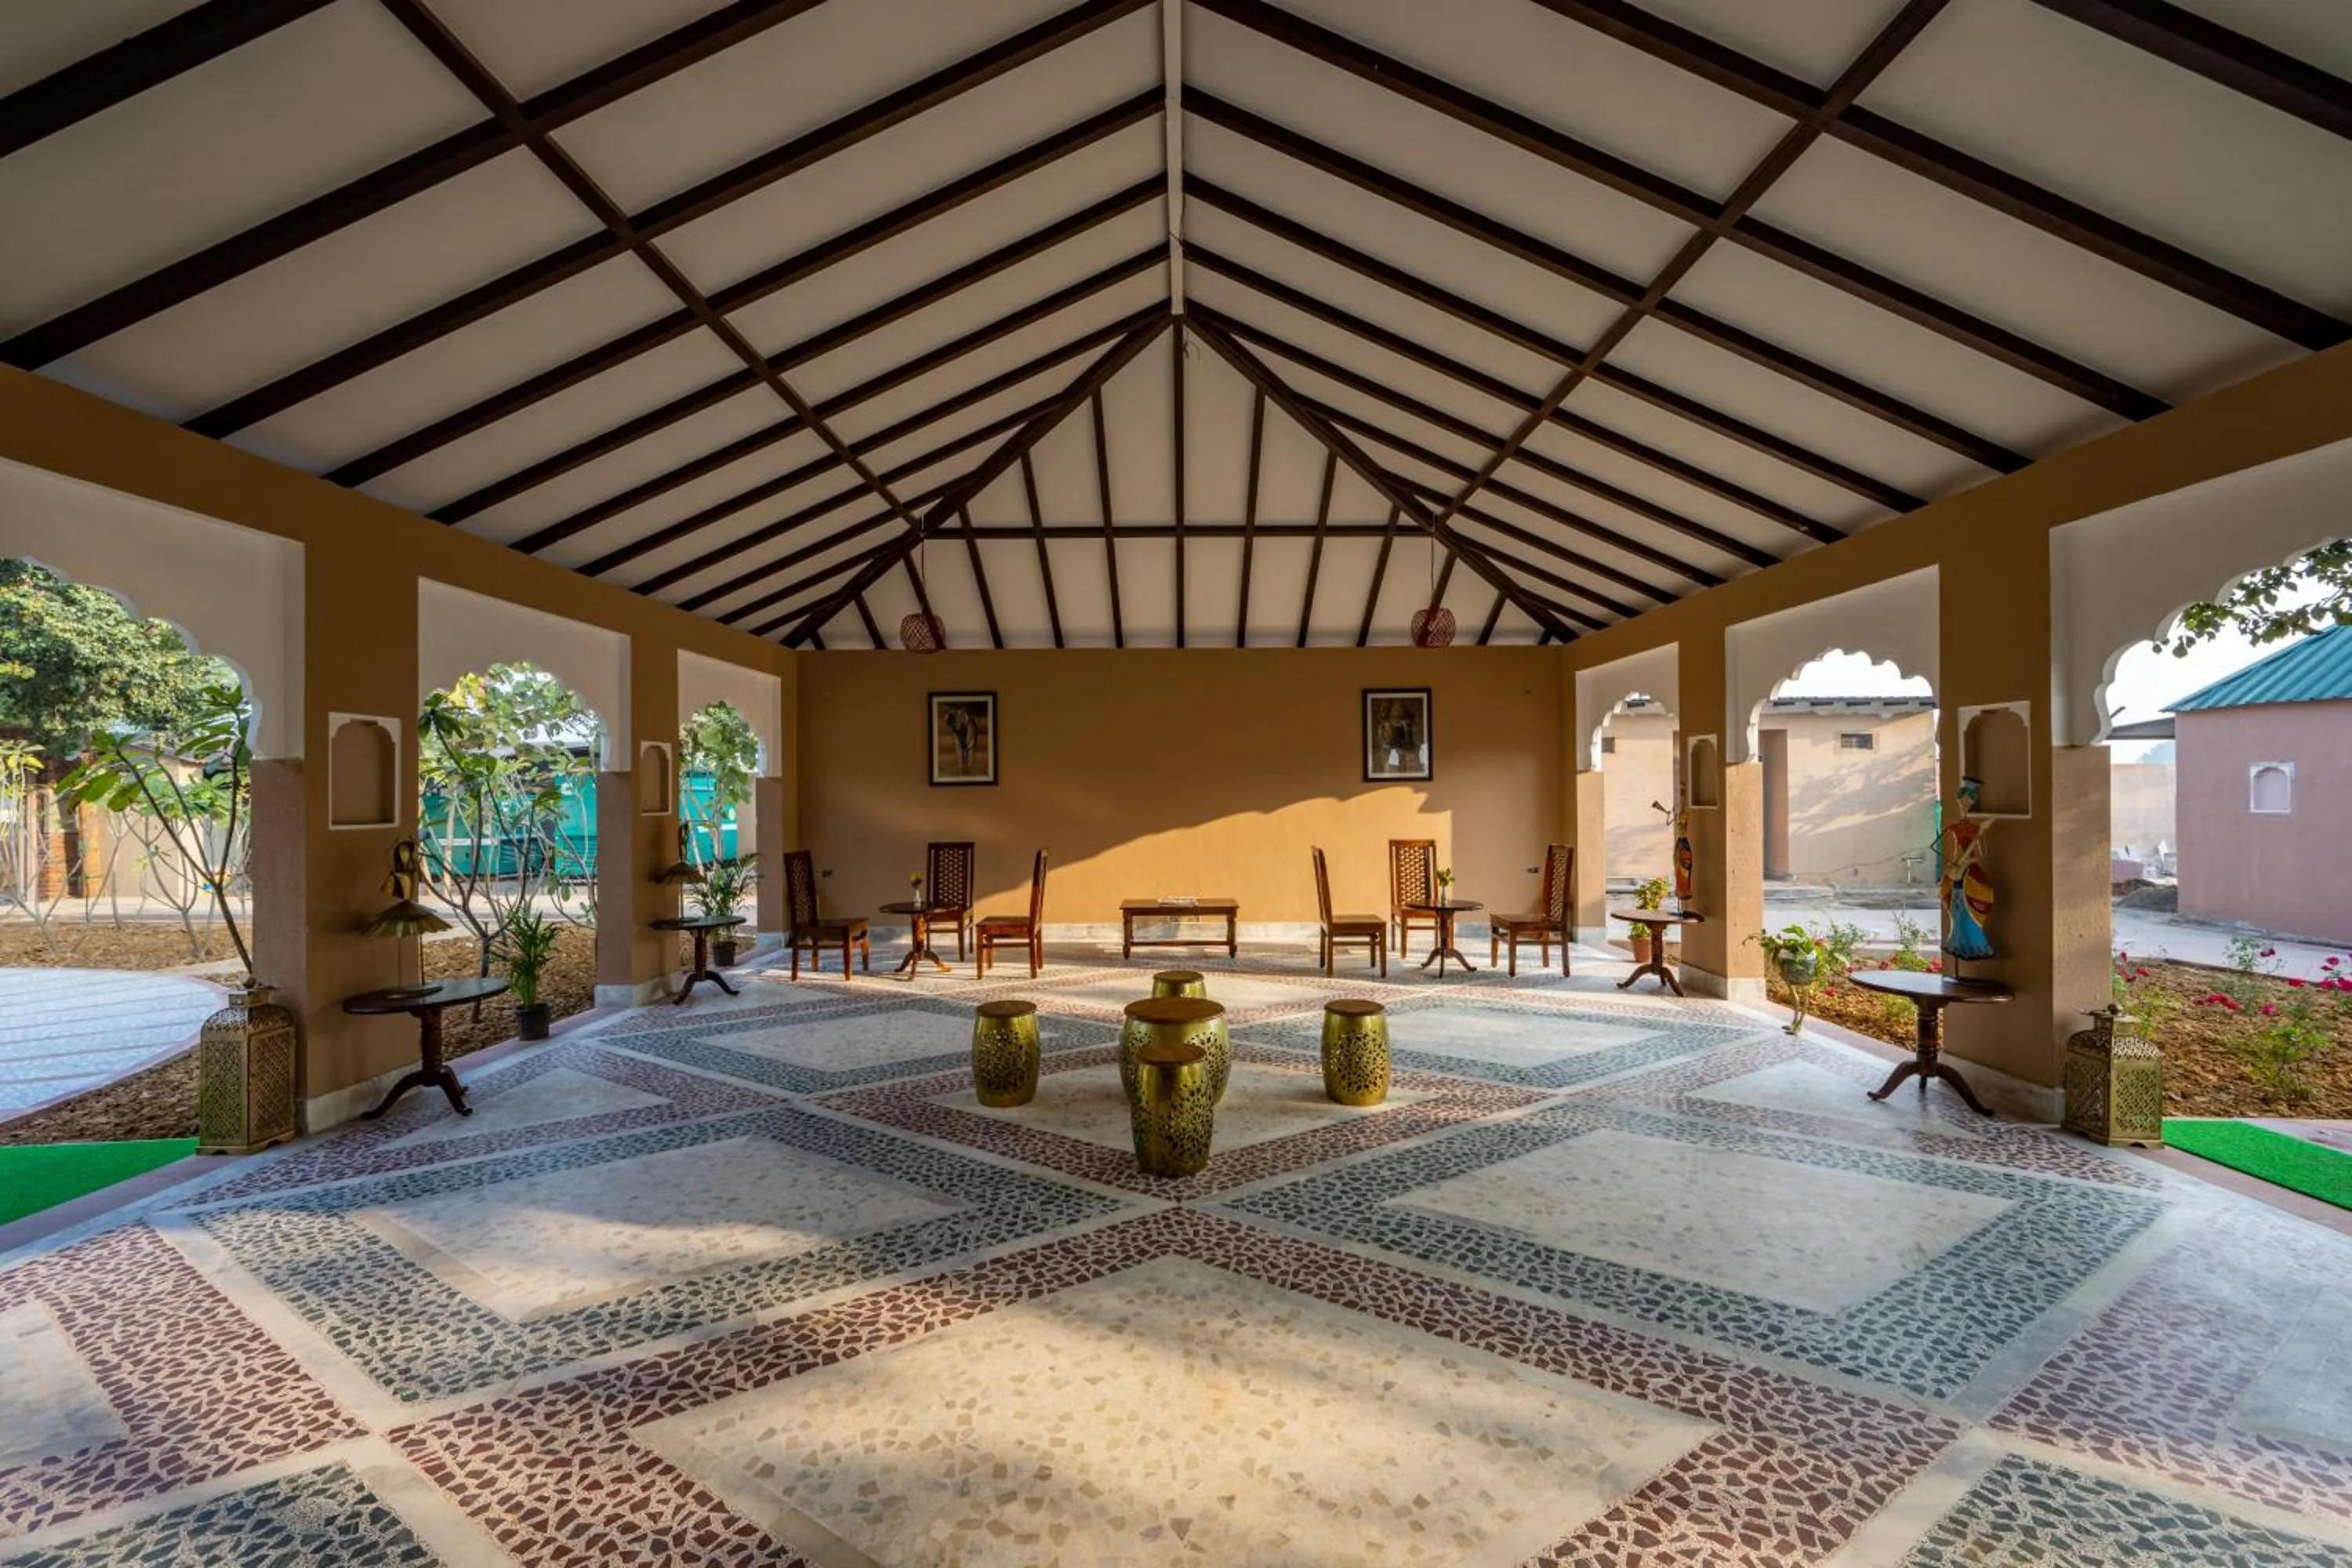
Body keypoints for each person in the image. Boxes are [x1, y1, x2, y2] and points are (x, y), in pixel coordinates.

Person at [1940, 776, 1995, 960]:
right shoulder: (1954, 828)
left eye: (1966, 802)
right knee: (1955, 909)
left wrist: (1970, 860)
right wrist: (1951, 862)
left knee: (1969, 904)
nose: (1963, 806)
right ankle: (1957, 941)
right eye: (1961, 802)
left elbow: (1983, 854)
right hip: (1956, 867)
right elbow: (1947, 848)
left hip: (1969, 870)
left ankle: (1974, 942)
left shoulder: (1975, 829)